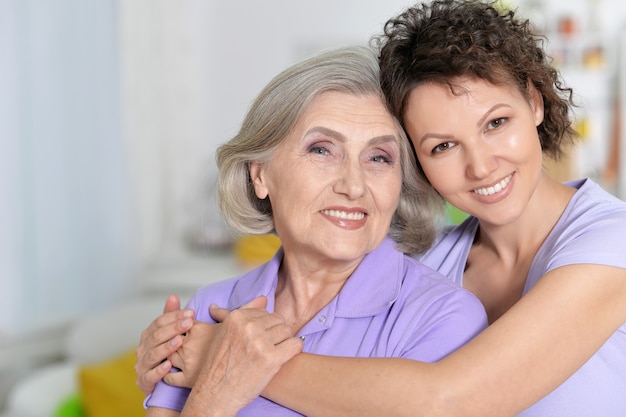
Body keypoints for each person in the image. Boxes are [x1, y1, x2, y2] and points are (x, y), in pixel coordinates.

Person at [136, 1, 626, 416]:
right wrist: (166, 361)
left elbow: (447, 400)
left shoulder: (610, 241)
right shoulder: (433, 259)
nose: (480, 165)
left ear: (536, 104)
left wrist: (229, 361)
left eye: (497, 122)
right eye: (442, 147)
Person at [141, 44, 487, 416]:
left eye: (379, 158)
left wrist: (233, 366)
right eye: (322, 150)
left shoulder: (443, 318)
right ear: (260, 175)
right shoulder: (208, 310)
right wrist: (214, 396)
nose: (354, 186)